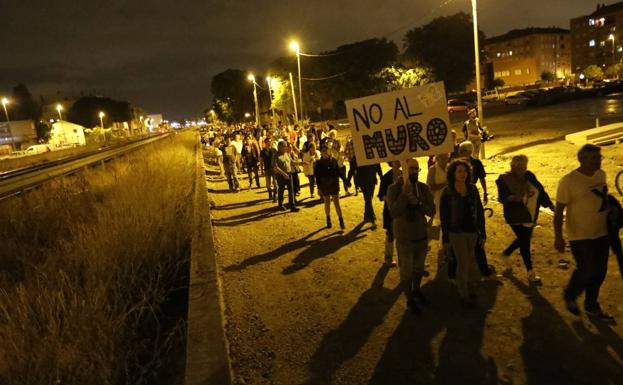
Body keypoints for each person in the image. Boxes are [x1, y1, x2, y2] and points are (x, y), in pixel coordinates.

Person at [554, 144, 614, 320]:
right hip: (580, 235)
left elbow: (602, 199)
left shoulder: (601, 175)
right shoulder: (569, 181)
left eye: (599, 157)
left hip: (602, 233)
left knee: (600, 272)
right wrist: (558, 237)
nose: (599, 160)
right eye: (595, 158)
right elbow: (558, 212)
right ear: (582, 159)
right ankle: (570, 295)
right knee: (587, 268)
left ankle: (591, 305)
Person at [386, 158, 435, 314]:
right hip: (404, 238)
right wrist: (404, 196)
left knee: (419, 269)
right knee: (406, 271)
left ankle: (417, 290)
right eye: (411, 169)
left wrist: (418, 202)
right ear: (404, 170)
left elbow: (431, 211)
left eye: (416, 169)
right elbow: (393, 212)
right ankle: (409, 298)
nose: (413, 172)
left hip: (421, 235)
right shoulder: (393, 189)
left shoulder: (423, 188)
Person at [496, 155, 554, 283]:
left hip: (531, 214)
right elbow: (502, 198)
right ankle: (530, 272)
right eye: (519, 167)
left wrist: (549, 203)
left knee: (523, 239)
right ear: (512, 166)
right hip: (515, 214)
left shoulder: (529, 176)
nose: (522, 170)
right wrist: (512, 198)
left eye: (524, 167)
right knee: (525, 242)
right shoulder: (504, 179)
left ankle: (506, 253)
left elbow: (540, 190)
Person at [440, 159, 486, 307]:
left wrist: (482, 232)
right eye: (459, 171)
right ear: (453, 173)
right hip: (456, 232)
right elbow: (444, 217)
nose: (463, 174)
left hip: (472, 231)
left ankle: (466, 287)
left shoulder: (472, 189)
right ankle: (463, 293)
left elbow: (479, 211)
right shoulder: (447, 192)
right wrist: (446, 239)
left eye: (465, 171)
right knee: (463, 261)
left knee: (469, 260)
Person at [315, 144, 345, 229]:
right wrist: (319, 188)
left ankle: (341, 220)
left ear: (329, 151)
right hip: (325, 185)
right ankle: (328, 219)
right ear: (321, 152)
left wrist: (345, 180)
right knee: (327, 202)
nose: (324, 152)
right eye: (323, 150)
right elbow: (317, 176)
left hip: (334, 184)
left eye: (326, 150)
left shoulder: (334, 161)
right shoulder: (318, 163)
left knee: (336, 203)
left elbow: (339, 172)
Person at [378, 161, 402, 267]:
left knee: (403, 235)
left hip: (403, 210)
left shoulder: (405, 174)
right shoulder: (386, 177)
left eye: (399, 160)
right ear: (391, 163)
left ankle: (403, 258)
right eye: (395, 161)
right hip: (390, 211)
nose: (398, 163)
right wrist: (387, 198)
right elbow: (380, 195)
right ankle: (388, 258)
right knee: (390, 234)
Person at [274, 141, 304, 212]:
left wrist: (301, 163)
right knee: (281, 190)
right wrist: (284, 174)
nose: (286, 148)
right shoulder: (276, 156)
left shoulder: (287, 154)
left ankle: (292, 206)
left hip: (289, 174)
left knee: (291, 190)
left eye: (286, 146)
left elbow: (292, 162)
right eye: (284, 146)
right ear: (279, 147)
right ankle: (280, 205)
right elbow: (275, 167)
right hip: (280, 176)